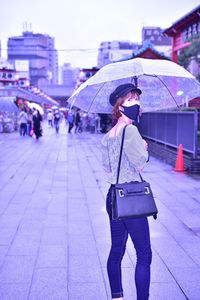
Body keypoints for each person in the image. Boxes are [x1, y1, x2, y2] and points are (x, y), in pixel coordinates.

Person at [101, 83, 151, 300]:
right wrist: (144, 149)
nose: (136, 104)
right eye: (130, 100)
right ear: (119, 106)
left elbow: (107, 168)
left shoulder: (109, 135)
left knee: (116, 251)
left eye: (137, 100)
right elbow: (140, 165)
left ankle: (117, 297)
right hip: (131, 198)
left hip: (113, 197)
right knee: (144, 254)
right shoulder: (131, 131)